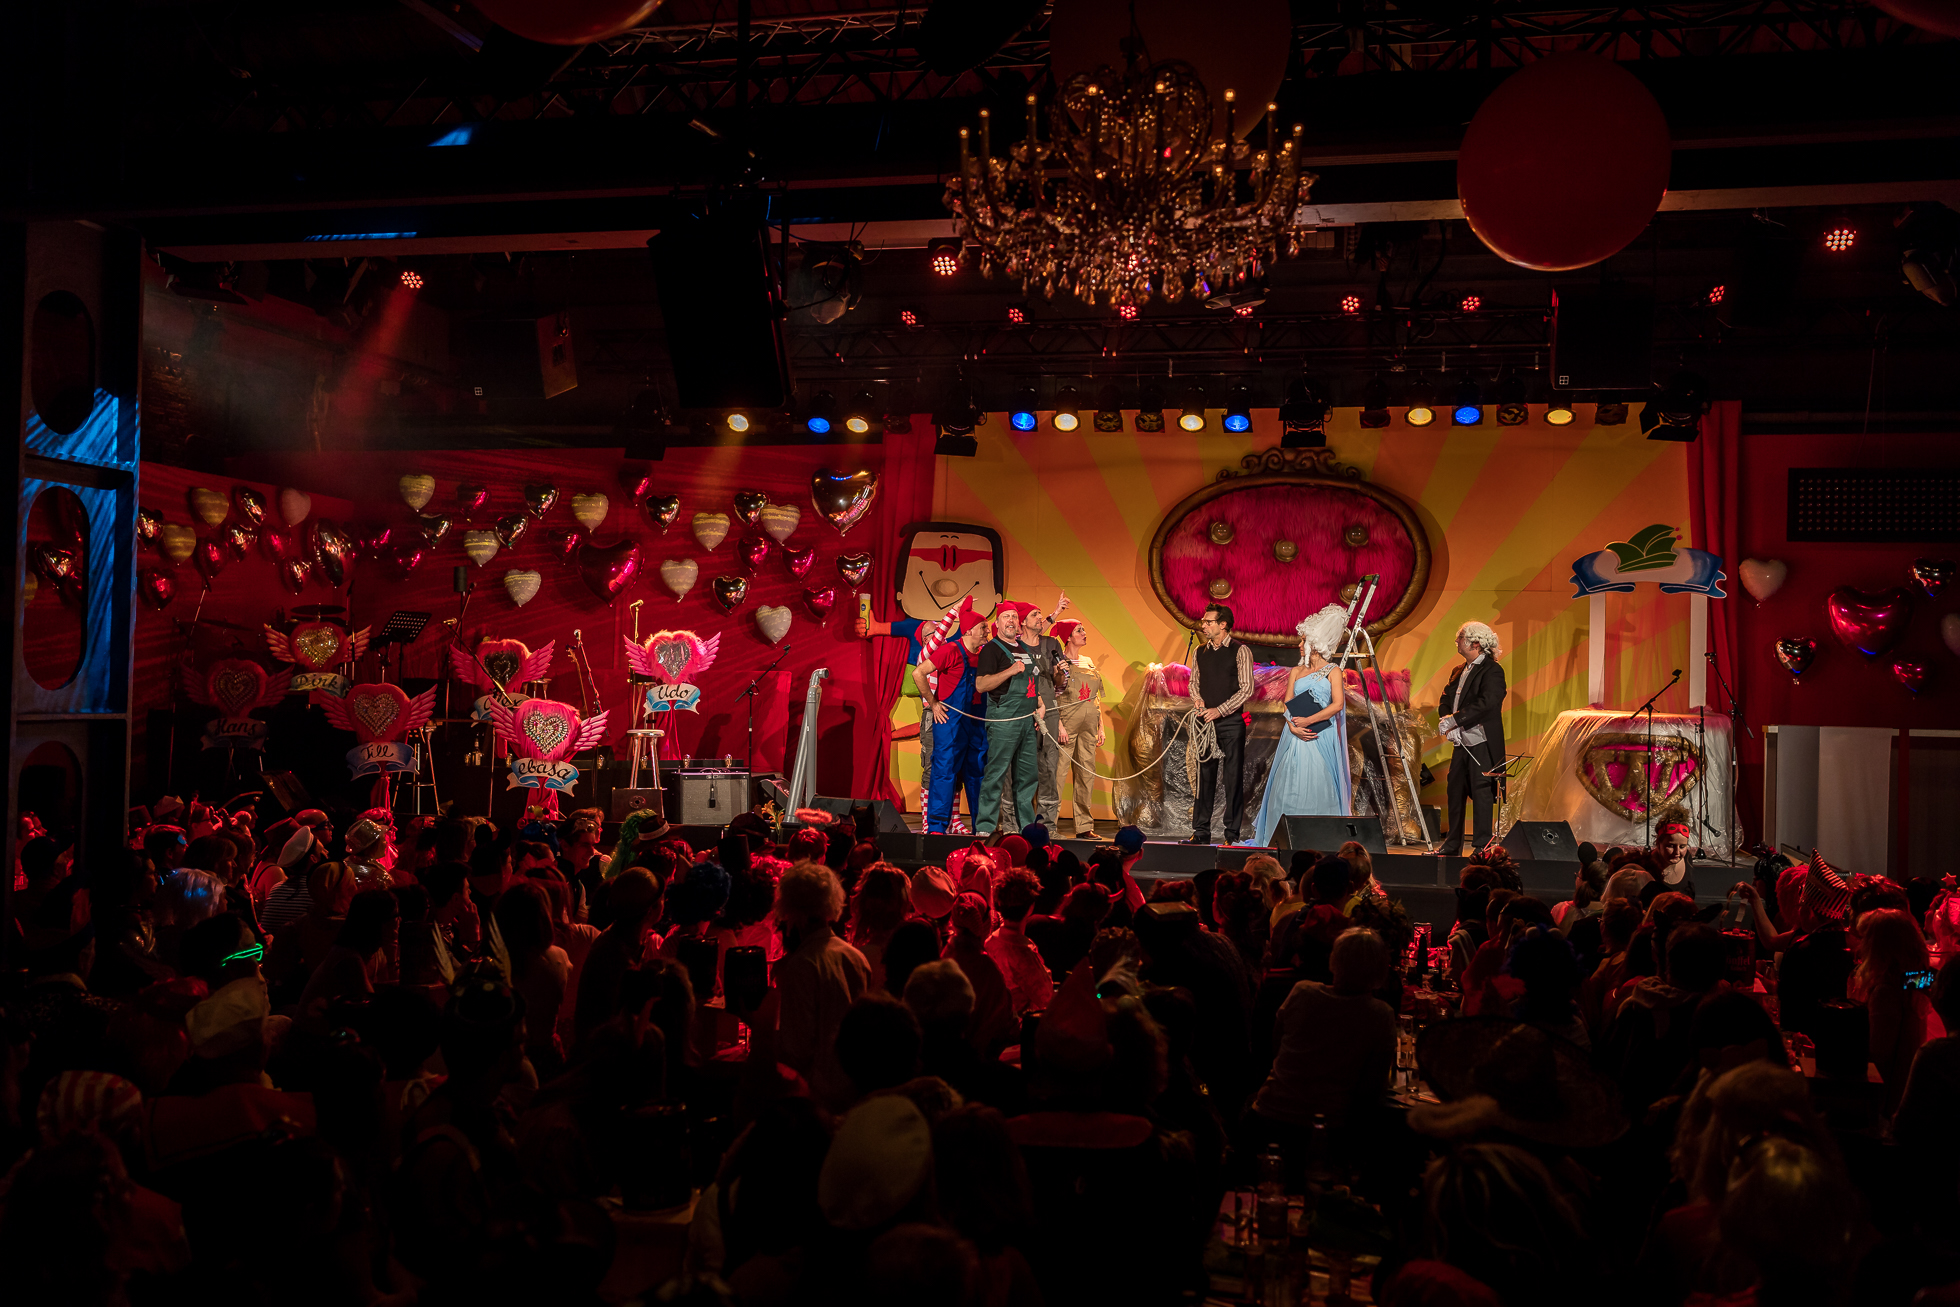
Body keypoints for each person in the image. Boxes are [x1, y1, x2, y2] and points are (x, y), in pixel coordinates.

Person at [1249, 927, 1397, 1150]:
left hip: (1267, 1115)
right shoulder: (1381, 1015)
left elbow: (1276, 1045)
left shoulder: (1302, 992)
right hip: (1328, 1129)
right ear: (1380, 969)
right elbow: (1371, 1089)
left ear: (1334, 959)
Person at [1244, 604, 1352, 847]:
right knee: (1289, 781)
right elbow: (1287, 703)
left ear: (1315, 643)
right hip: (1294, 734)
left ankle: (1319, 838)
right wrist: (1292, 726)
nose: (1300, 645)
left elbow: (1337, 704)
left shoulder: (1333, 671)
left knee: (1319, 780)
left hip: (1319, 734)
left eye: (1304, 641)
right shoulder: (1296, 671)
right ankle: (1282, 837)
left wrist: (1309, 721)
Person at [773, 860, 871, 1109]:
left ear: (790, 909)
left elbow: (796, 1049)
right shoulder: (856, 957)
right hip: (856, 1091)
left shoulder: (802, 964)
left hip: (815, 1098)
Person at [1850, 906, 1934, 1110]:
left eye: (1865, 938)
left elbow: (1878, 1053)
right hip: (1904, 1095)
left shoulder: (1885, 991)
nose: (1860, 945)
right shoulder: (1912, 981)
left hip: (1883, 1100)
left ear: (1878, 944)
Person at [1186, 603, 1256, 846]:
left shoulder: (1240, 651)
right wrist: (1198, 700)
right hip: (1205, 723)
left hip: (1231, 723)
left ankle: (1231, 835)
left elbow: (1247, 688)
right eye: (1203, 622)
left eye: (1208, 622)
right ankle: (1201, 832)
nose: (1203, 625)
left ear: (1223, 624)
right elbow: (1193, 682)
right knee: (1204, 776)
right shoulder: (1200, 651)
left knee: (1232, 778)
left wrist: (1220, 710)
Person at [1436, 620, 1508, 857]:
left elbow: (1488, 703)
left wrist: (1456, 720)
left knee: (1481, 791)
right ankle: (1452, 844)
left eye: (1461, 637)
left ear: (1475, 643)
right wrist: (1447, 720)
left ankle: (1481, 846)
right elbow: (1446, 698)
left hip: (1481, 742)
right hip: (1461, 743)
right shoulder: (1459, 670)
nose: (1456, 641)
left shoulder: (1492, 670)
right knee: (1455, 789)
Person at [918, 603, 989, 836]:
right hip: (949, 722)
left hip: (976, 721)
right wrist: (933, 703)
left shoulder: (984, 655)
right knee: (944, 771)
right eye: (983, 627)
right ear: (969, 630)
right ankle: (937, 828)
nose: (987, 632)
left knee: (977, 772)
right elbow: (918, 673)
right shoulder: (950, 650)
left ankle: (981, 827)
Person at [974, 601, 1043, 836]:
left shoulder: (1023, 648)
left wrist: (1040, 705)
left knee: (1027, 777)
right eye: (1006, 617)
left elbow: (1031, 684)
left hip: (1027, 720)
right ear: (997, 623)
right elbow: (981, 685)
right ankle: (985, 828)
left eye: (1014, 616)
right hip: (1004, 720)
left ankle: (1027, 828)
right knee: (996, 774)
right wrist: (1010, 671)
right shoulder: (992, 650)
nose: (1011, 621)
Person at [1050, 618, 1104, 839]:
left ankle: (1084, 826)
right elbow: (1052, 696)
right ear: (1068, 637)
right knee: (1057, 775)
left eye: (1083, 630)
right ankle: (1048, 825)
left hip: (1089, 726)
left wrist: (1101, 727)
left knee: (1086, 775)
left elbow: (1096, 697)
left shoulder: (1088, 662)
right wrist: (1059, 725)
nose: (1084, 633)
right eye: (1079, 630)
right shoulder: (1058, 662)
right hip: (1067, 724)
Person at [1019, 600, 1070, 831]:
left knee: (1049, 767)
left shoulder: (1051, 644)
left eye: (1041, 614)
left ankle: (1047, 826)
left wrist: (1060, 673)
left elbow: (1058, 682)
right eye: (1035, 614)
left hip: (1048, 711)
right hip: (1022, 711)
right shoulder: (1015, 646)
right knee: (1024, 768)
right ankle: (1022, 824)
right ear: (1022, 621)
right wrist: (1055, 612)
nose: (1040, 618)